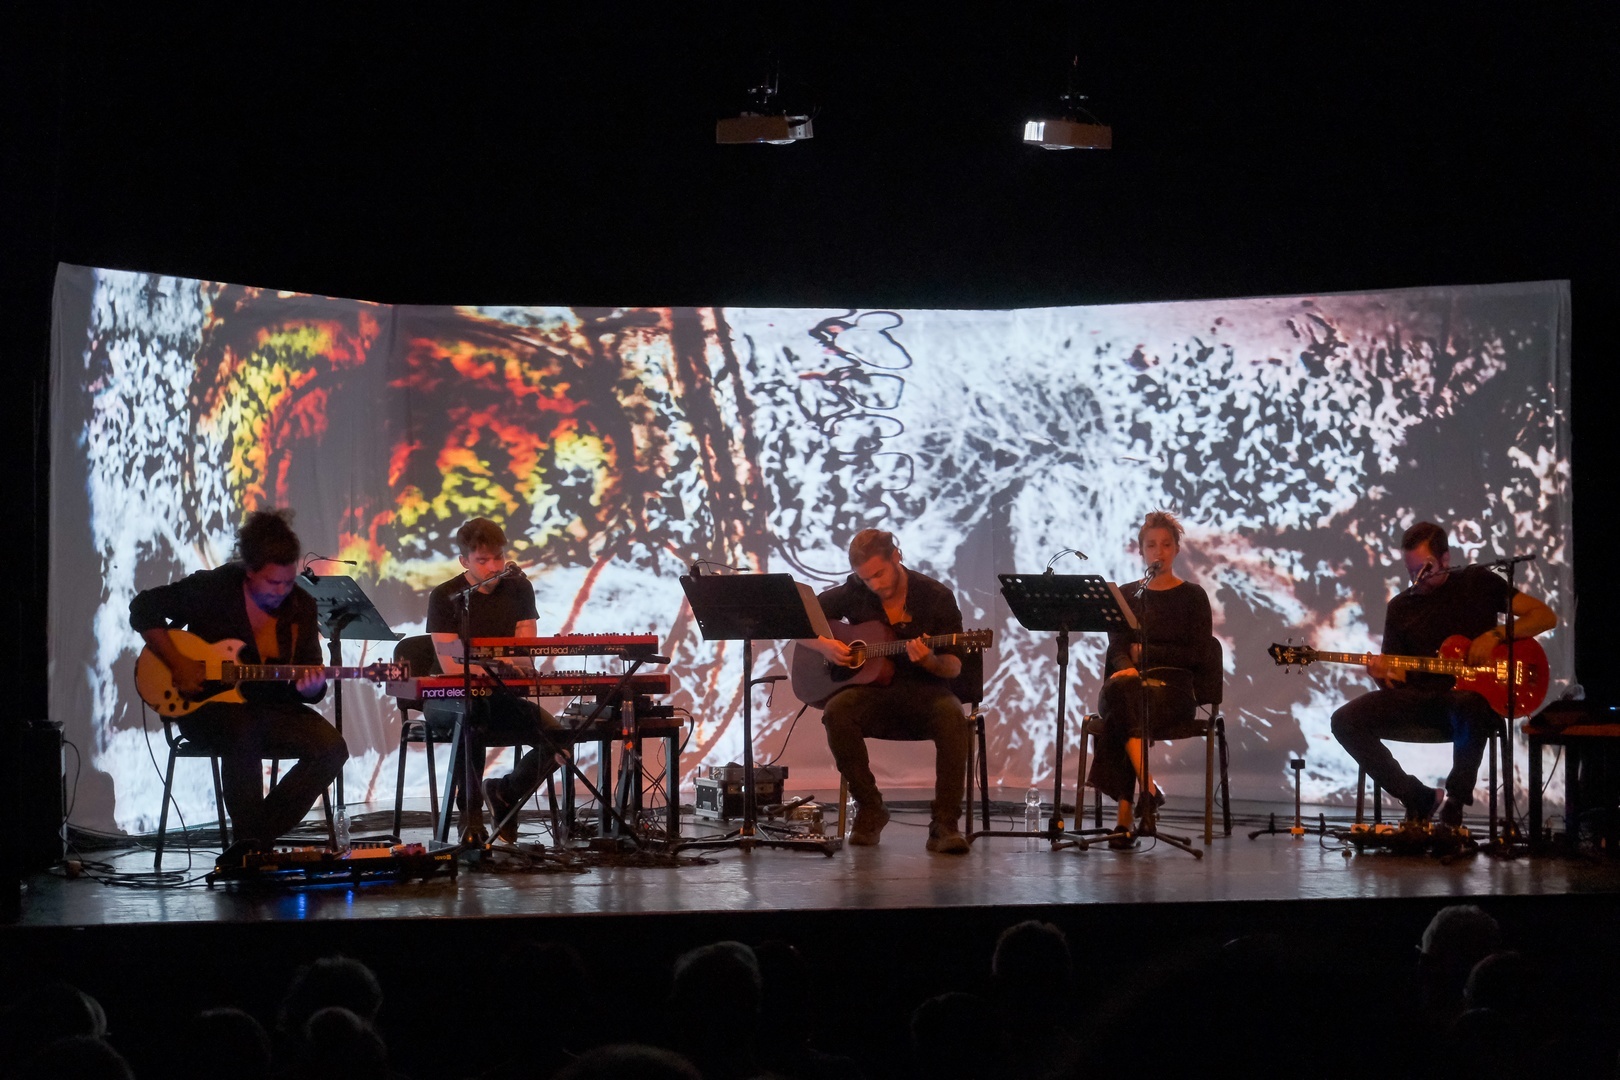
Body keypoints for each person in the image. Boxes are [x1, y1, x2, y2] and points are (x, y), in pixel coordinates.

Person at [129, 510, 347, 850]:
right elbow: (143, 608)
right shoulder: (214, 588)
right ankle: (252, 845)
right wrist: (179, 663)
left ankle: (251, 842)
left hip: (272, 709)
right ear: (249, 571)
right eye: (272, 583)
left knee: (332, 748)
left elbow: (310, 678)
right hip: (206, 708)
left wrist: (313, 686)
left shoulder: (301, 606)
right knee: (244, 728)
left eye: (288, 582)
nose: (282, 591)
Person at [1331, 521, 1556, 827]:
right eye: (1411, 571)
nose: (1417, 578)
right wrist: (1379, 675)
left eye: (1424, 569)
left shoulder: (1477, 582)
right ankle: (1417, 796)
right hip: (1420, 702)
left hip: (1469, 705)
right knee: (1344, 720)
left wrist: (1495, 636)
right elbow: (1395, 687)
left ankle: (1455, 803)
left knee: (1468, 703)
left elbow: (1545, 616)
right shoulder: (1400, 607)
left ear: (1445, 559)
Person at [802, 529, 970, 854]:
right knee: (837, 712)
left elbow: (954, 666)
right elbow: (798, 624)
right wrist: (825, 646)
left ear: (896, 556)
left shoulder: (935, 596)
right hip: (873, 691)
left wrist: (930, 661)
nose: (874, 584)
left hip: (925, 692)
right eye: (866, 579)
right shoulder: (854, 591)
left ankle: (945, 824)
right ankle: (870, 808)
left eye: (879, 574)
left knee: (952, 716)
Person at [425, 517, 565, 844]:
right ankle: (470, 821)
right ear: (464, 561)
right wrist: (500, 664)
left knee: (560, 739)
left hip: (499, 697)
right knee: (472, 715)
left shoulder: (519, 589)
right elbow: (450, 665)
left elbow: (525, 655)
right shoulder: (445, 596)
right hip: (446, 698)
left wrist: (504, 665)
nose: (494, 567)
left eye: (499, 557)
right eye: (482, 560)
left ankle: (504, 792)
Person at [1087, 510, 1213, 847]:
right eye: (1152, 545)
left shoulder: (1193, 596)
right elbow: (1116, 647)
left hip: (1173, 692)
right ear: (1141, 550)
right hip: (1127, 687)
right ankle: (1149, 789)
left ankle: (1125, 816)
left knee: (1123, 711)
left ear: (1177, 549)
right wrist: (1126, 664)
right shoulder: (1128, 595)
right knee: (1126, 695)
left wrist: (1147, 653)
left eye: (1166, 545)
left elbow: (1199, 654)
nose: (1159, 552)